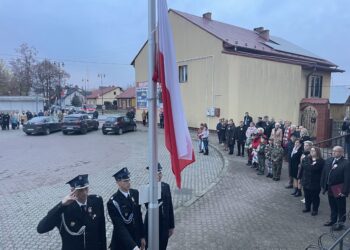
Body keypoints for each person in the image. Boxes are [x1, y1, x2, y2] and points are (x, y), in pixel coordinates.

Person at [37, 174, 107, 250]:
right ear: (72, 190)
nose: (84, 193)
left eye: (86, 188)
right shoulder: (64, 210)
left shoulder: (96, 201)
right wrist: (61, 205)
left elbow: (101, 230)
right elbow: (41, 228)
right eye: (80, 190)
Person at [107, 167, 145, 250]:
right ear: (118, 182)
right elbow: (120, 227)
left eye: (128, 180)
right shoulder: (113, 202)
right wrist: (133, 246)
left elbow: (139, 217)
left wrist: (142, 236)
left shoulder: (135, 193)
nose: (128, 183)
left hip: (136, 239)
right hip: (122, 243)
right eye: (125, 181)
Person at [144, 164, 175, 250]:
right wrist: (154, 187)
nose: (160, 175)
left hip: (164, 225)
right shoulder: (147, 188)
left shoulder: (166, 186)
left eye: (160, 173)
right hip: (152, 224)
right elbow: (147, 206)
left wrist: (171, 225)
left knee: (162, 246)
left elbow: (170, 207)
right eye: (157, 173)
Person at [320, 146, 350, 231]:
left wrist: (344, 191)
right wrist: (323, 185)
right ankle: (333, 220)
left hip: (339, 189)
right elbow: (325, 172)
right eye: (333, 151)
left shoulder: (346, 163)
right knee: (332, 205)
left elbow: (347, 178)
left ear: (341, 152)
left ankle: (340, 223)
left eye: (335, 151)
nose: (333, 152)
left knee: (341, 207)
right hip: (330, 187)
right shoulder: (329, 160)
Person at [299, 147, 324, 216]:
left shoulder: (321, 161)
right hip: (306, 181)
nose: (312, 152)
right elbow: (303, 167)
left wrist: (307, 165)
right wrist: (300, 178)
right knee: (307, 196)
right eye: (311, 150)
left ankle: (315, 210)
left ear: (317, 152)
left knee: (315, 197)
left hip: (315, 182)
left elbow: (312, 168)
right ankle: (307, 207)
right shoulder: (307, 158)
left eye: (314, 151)